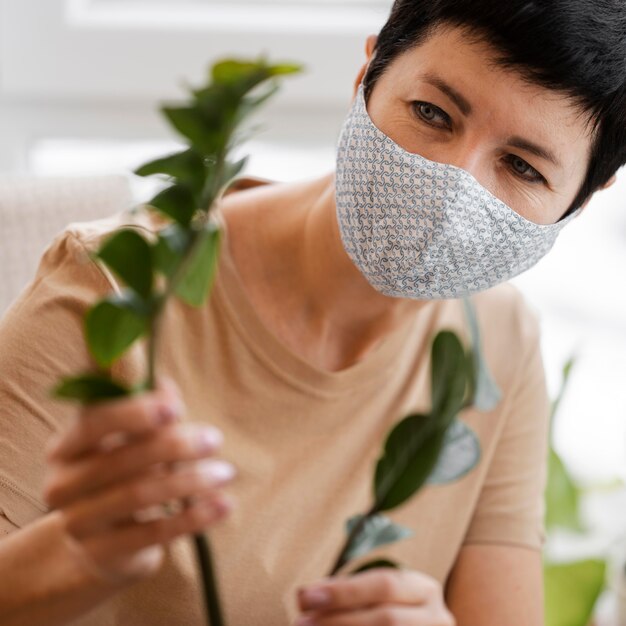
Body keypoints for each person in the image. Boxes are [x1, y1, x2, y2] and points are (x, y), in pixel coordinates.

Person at [0, 0, 624, 624]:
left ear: (582, 199)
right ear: (367, 75)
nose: (452, 187)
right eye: (432, 113)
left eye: (522, 167)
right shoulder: (111, 289)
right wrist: (82, 558)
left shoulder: (501, 341)